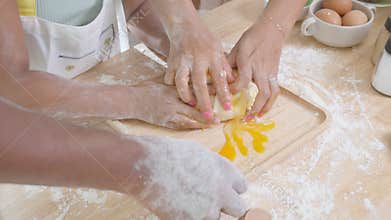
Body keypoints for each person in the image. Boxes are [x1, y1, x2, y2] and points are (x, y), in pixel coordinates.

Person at [0, 0, 306, 219]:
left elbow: (136, 6)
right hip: (32, 146)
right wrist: (135, 102)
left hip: (104, 86)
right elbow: (12, 84)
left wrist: (176, 44)